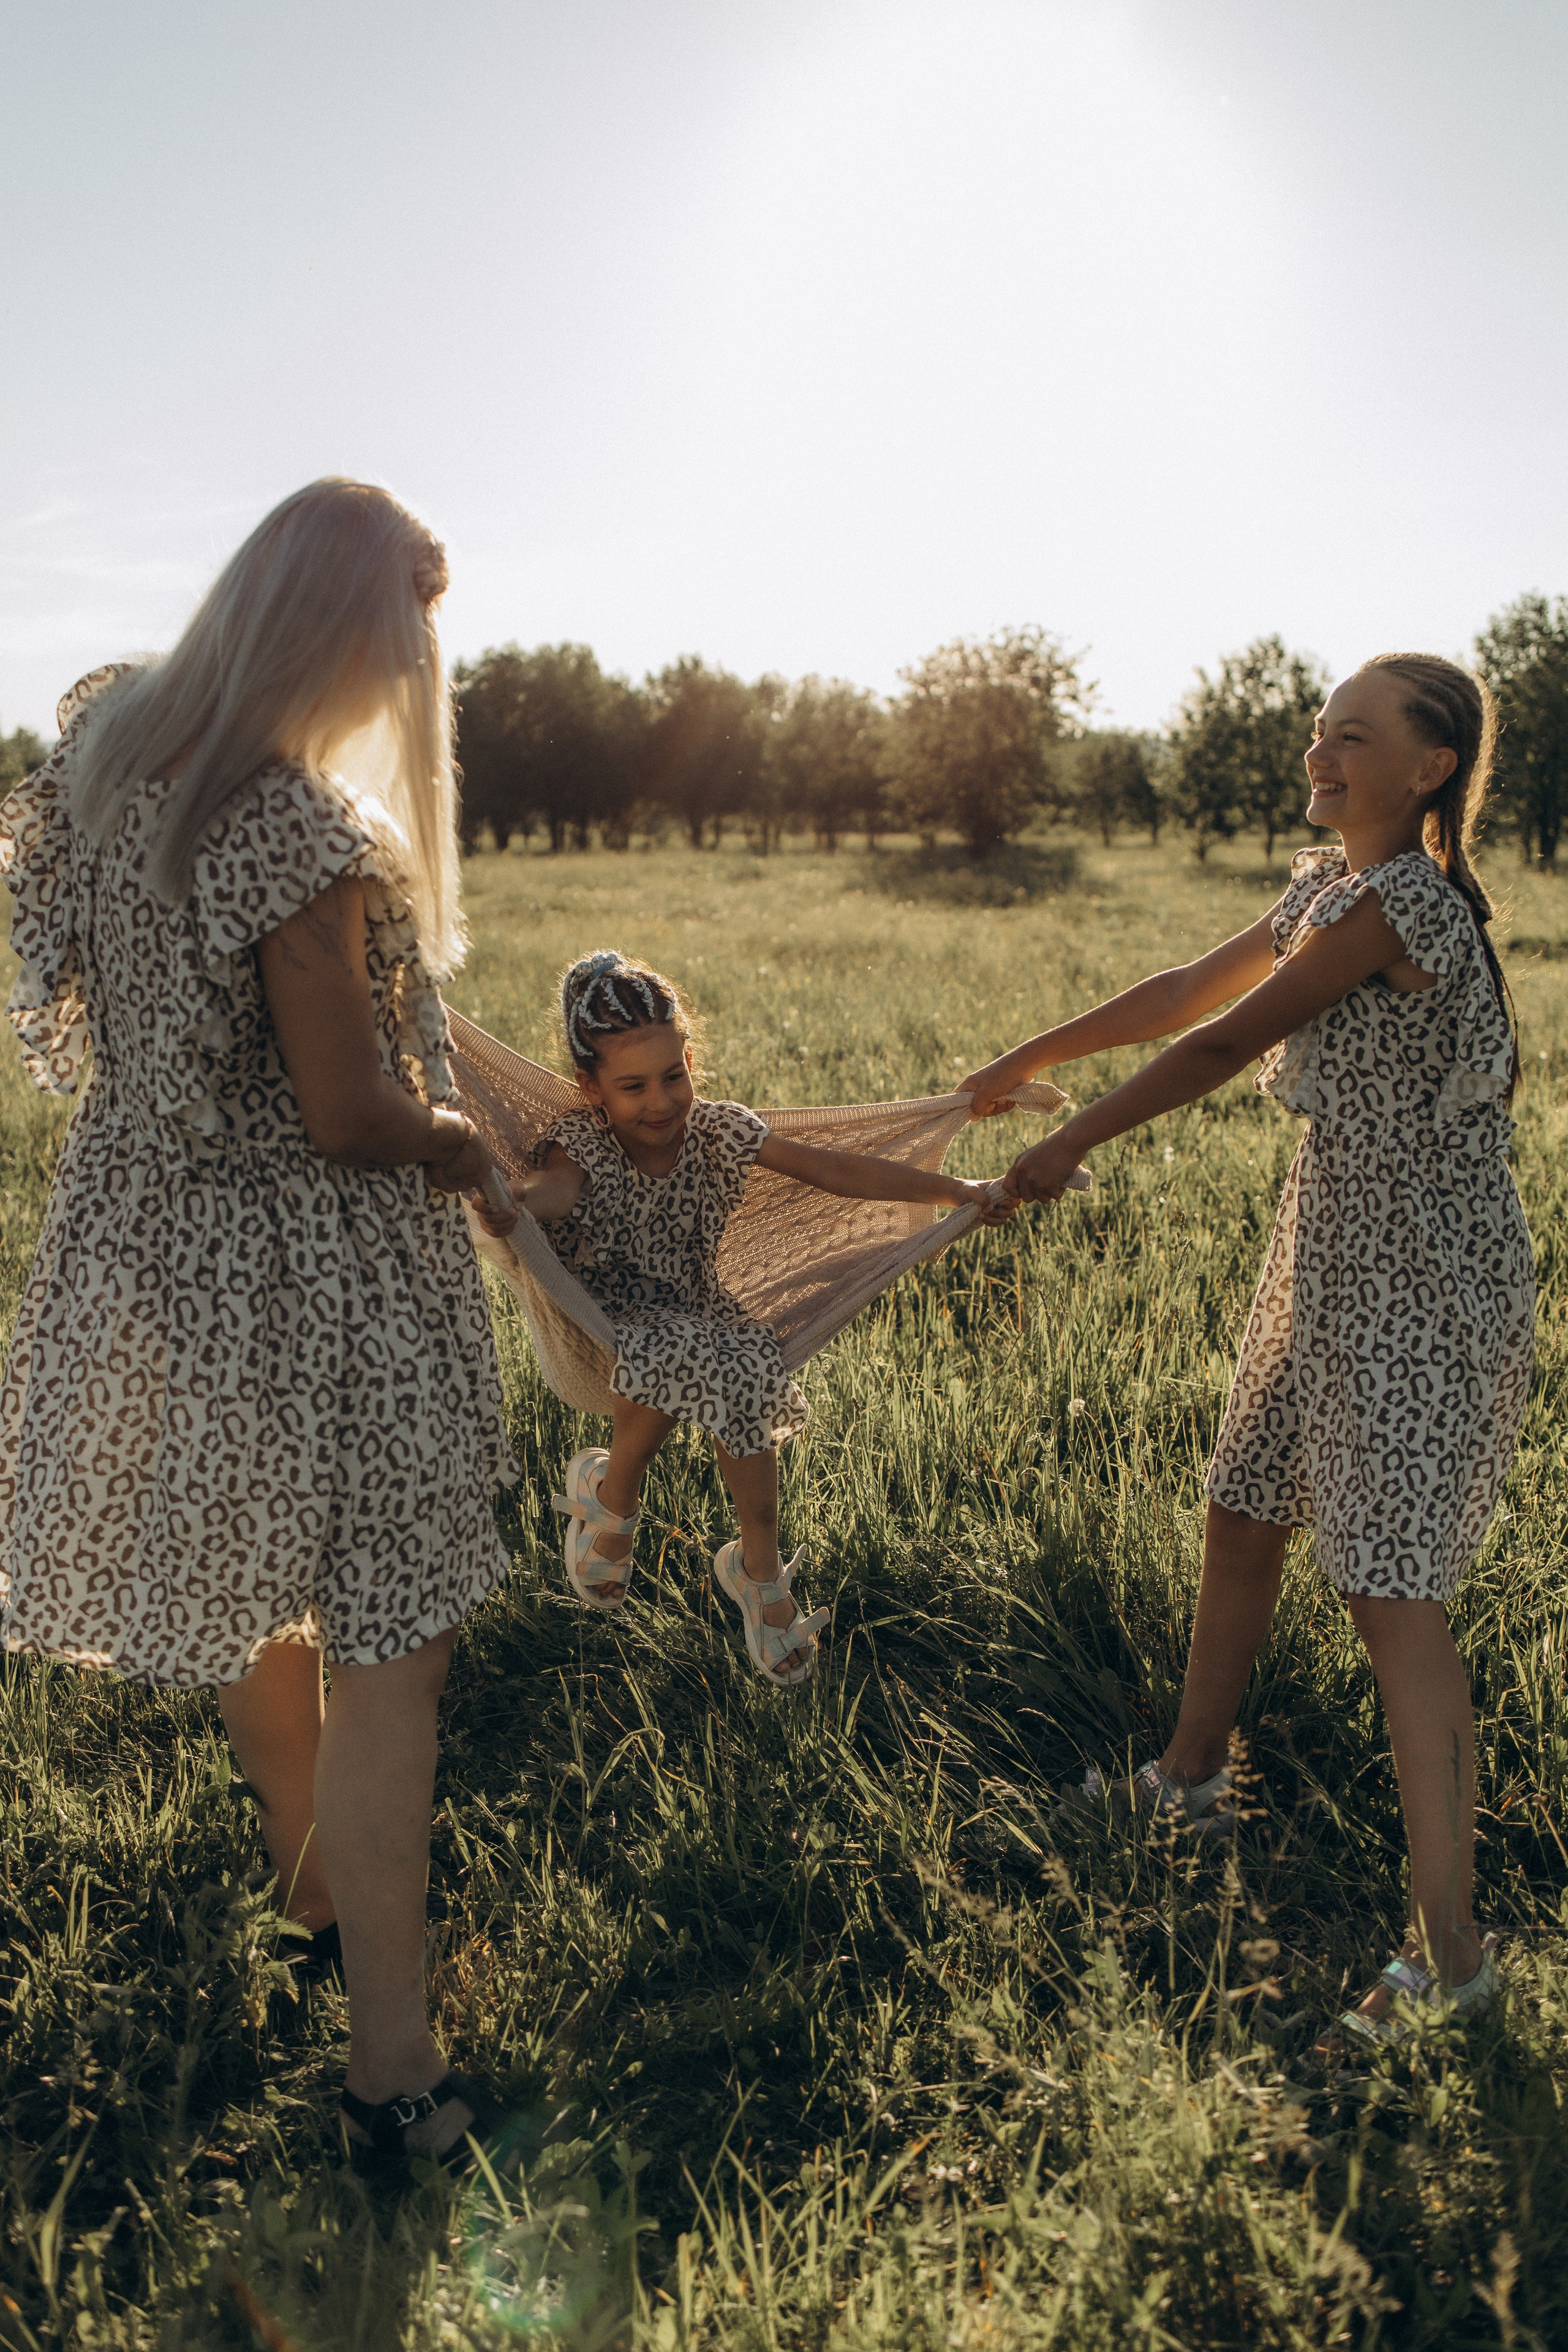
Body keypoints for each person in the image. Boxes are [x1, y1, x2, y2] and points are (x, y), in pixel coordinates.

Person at [0, 479, 522, 2166]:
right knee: (391, 1660)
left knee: (253, 1593)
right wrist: (481, 1157)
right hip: (312, 1277)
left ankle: (310, 1901)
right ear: (348, 633)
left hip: (150, 1254)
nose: (399, 683)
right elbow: (351, 1116)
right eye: (399, 644)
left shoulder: (103, 761)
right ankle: (395, 2078)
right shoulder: (294, 829)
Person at [960, 654, 1533, 2048]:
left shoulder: (1400, 898)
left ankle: (1450, 1957)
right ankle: (1189, 1775)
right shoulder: (1320, 885)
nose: (1317, 752)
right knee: (1239, 1508)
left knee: (1390, 1596)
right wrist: (1027, 1054)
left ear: (1429, 766)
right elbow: (1180, 986)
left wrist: (1069, 1140)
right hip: (1326, 1257)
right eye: (1313, 732)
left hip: (1421, 1281)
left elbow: (1224, 1043)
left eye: (1351, 735)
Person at [521, 950, 1017, 1686]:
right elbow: (556, 1191)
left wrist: (958, 1191)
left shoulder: (719, 1131)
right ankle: (614, 1498)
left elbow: (835, 1169)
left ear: (690, 1061)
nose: (659, 1102)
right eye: (632, 1087)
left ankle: (758, 1570)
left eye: (673, 1076)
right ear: (589, 1088)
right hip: (608, 1309)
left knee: (749, 1371)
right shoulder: (581, 1141)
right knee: (679, 1349)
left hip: (697, 1305)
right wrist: (509, 1204)